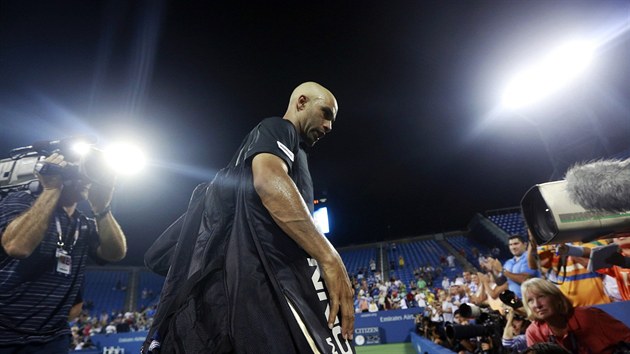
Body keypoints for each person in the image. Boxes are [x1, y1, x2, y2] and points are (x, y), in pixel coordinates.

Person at [142, 82, 354, 354]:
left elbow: (160, 257)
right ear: (301, 103)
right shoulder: (279, 128)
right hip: (264, 301)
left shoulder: (231, 187)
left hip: (226, 311)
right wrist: (328, 256)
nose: (329, 126)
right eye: (326, 113)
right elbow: (268, 180)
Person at [0, 152, 126, 353]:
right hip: (6, 337)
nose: (88, 180)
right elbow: (17, 247)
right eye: (81, 173)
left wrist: (102, 209)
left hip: (53, 339)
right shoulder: (21, 200)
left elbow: (115, 253)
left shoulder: (82, 223)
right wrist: (51, 189)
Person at [521, 277, 630, 353]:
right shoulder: (534, 332)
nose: (537, 305)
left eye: (541, 296)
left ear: (557, 298)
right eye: (530, 300)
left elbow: (627, 337)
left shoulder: (589, 315)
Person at [484, 234, 538, 300]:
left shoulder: (529, 257)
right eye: (510, 245)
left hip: (533, 299)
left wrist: (502, 270)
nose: (513, 247)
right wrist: (492, 270)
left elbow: (525, 280)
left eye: (516, 244)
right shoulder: (508, 262)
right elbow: (501, 282)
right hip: (517, 301)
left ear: (525, 244)